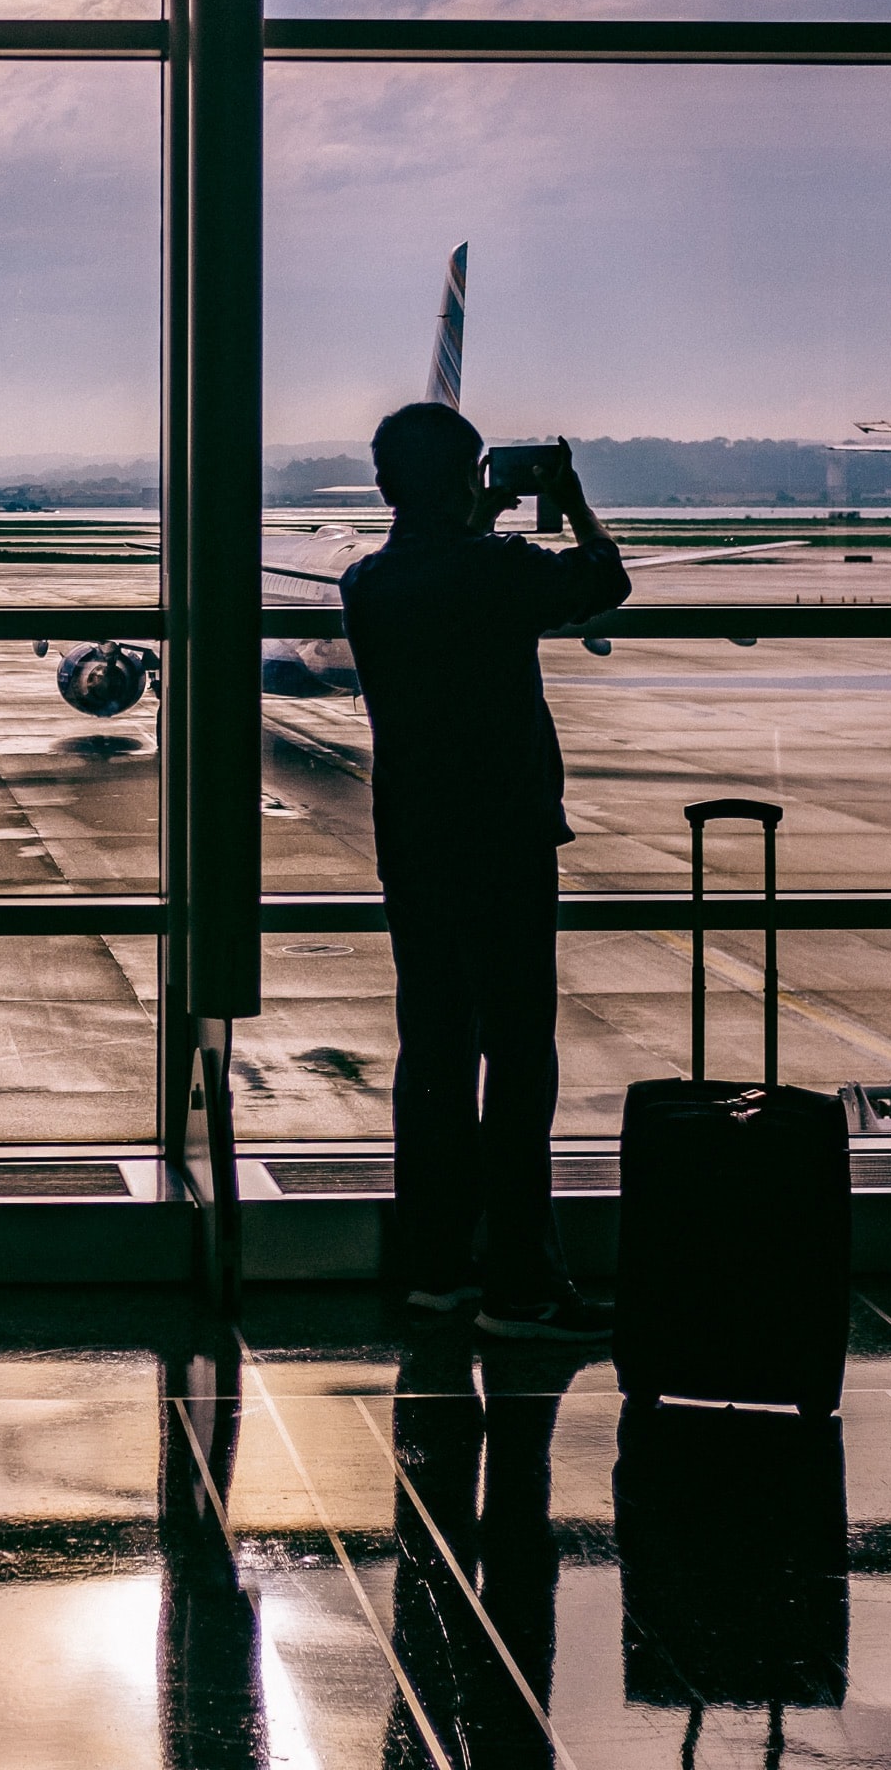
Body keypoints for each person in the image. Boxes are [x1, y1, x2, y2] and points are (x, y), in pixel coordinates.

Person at [339, 403, 629, 1341]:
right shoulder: (503, 571)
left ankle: (436, 1268)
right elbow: (605, 582)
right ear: (472, 479)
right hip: (502, 841)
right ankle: (524, 1285)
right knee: (516, 1056)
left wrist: (473, 509)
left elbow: (437, 564)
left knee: (433, 1052)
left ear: (383, 486)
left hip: (413, 843)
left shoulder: (367, 583)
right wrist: (572, 500)